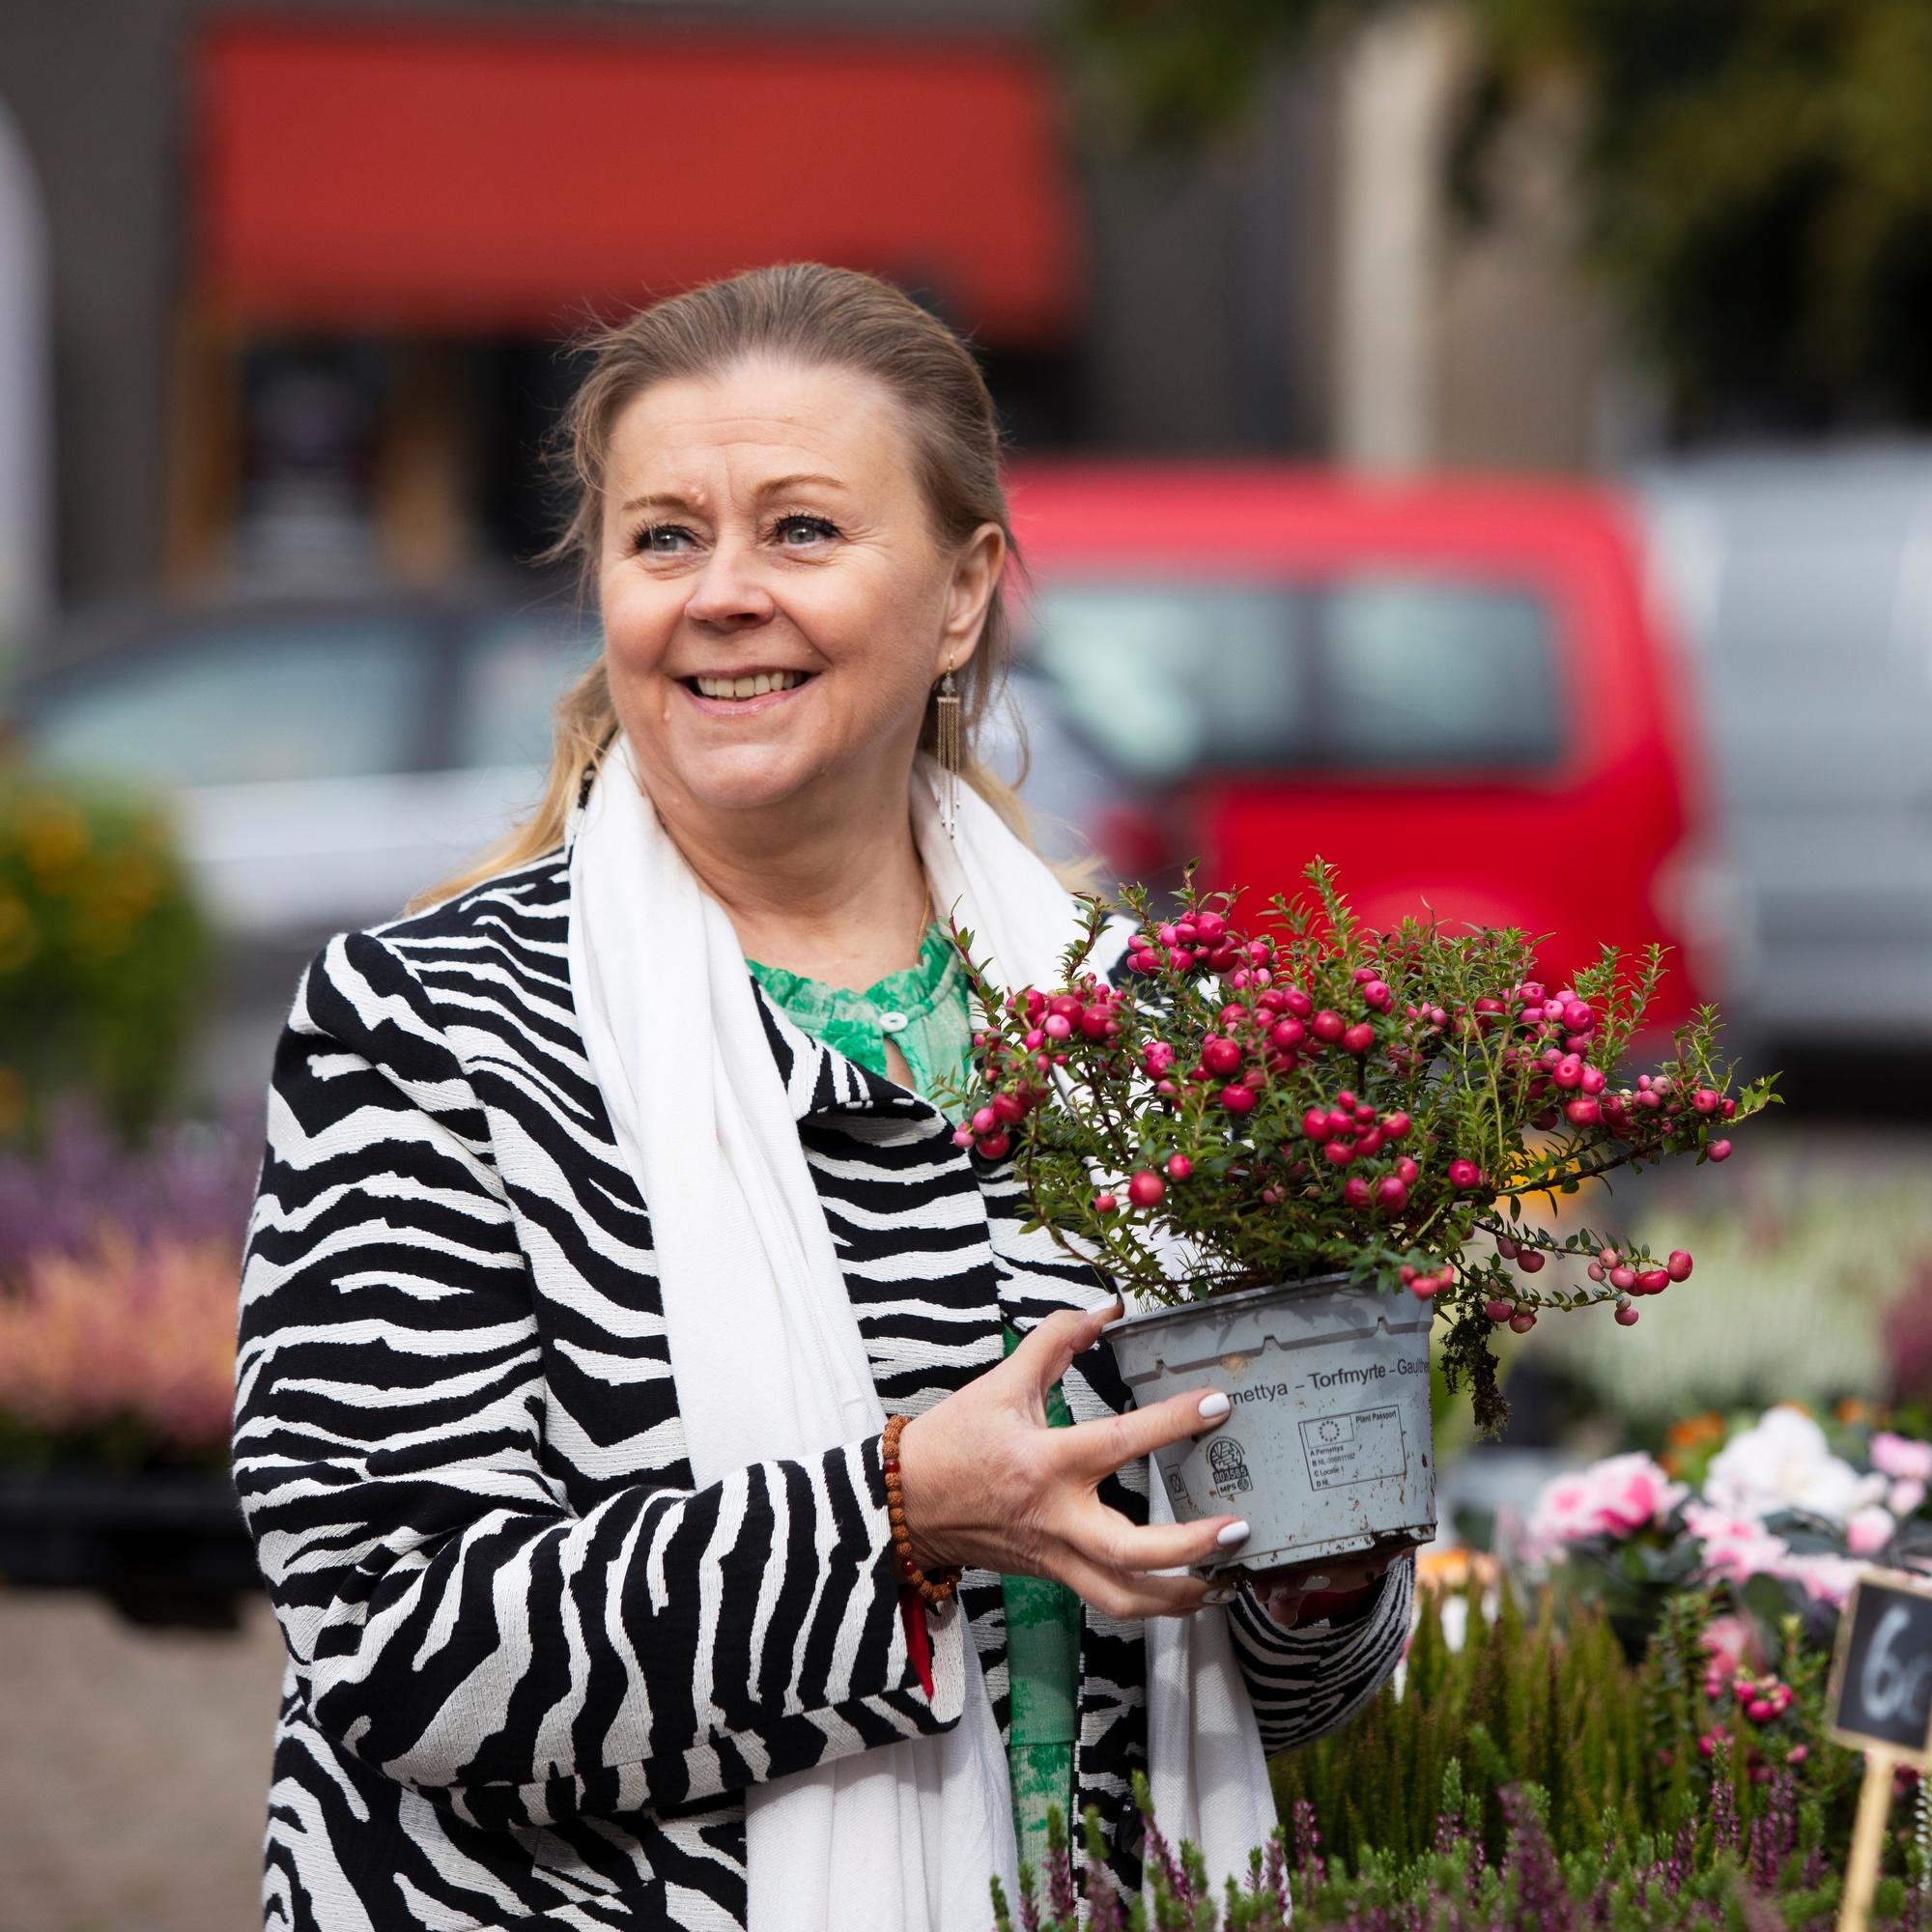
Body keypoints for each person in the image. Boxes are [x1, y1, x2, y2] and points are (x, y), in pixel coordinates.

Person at [232, 261, 1413, 1932]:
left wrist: (1322, 1581)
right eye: (664, 538)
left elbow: (1270, 1681)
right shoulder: (431, 1029)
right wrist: (902, 1516)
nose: (722, 593)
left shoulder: (1161, 1036)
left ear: (962, 592)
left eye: (799, 530)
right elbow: (401, 1653)